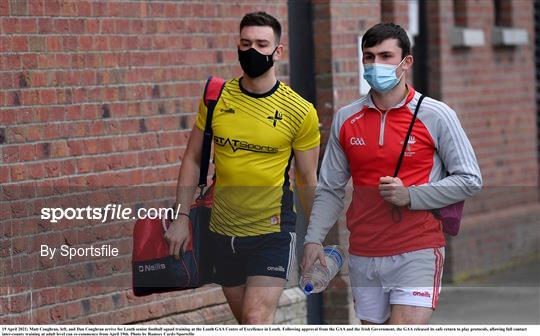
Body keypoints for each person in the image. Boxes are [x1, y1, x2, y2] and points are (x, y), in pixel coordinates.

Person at [301, 23, 482, 325]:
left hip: (418, 248)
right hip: (364, 251)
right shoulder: (346, 118)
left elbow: (470, 179)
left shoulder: (436, 114)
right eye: (368, 57)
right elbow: (330, 188)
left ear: (406, 62)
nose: (375, 64)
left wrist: (411, 195)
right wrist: (313, 240)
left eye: (385, 56)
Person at [165, 12, 320, 324]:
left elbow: (306, 179)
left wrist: (316, 237)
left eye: (262, 44)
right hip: (221, 231)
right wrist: (181, 216)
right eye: (245, 43)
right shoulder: (216, 99)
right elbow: (193, 158)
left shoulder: (300, 111)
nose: (252, 51)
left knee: (255, 318)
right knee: (246, 322)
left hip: (272, 232)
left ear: (278, 51)